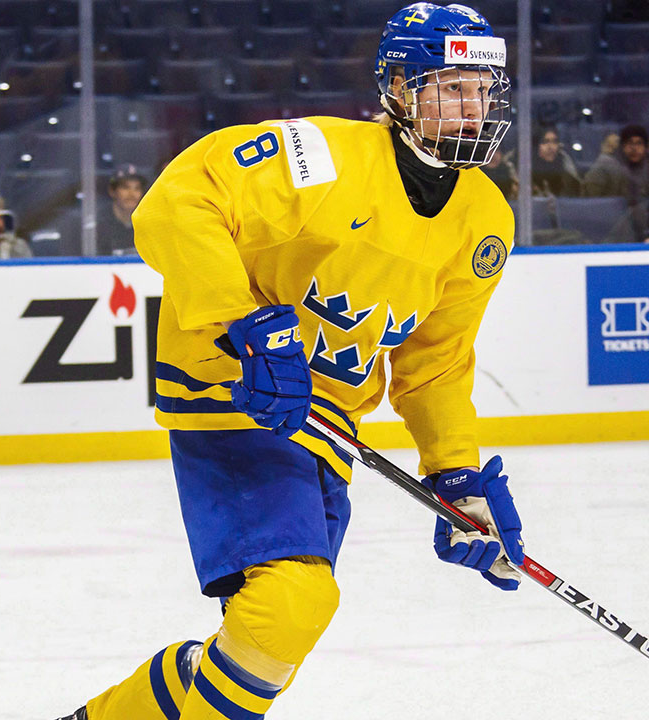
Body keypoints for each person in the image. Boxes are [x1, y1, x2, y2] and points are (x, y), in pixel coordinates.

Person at [54, 4, 526, 720]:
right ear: (398, 90)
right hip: (233, 392)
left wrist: (455, 473)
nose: (472, 107)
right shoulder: (318, 158)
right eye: (449, 87)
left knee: (275, 629)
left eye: (483, 90)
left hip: (326, 423)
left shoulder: (487, 217)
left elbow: (436, 361)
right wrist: (243, 322)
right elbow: (175, 205)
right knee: (289, 605)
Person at [581, 123, 649, 204]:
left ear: (646, 147)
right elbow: (588, 202)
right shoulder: (605, 166)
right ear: (622, 145)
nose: (634, 148)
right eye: (629, 143)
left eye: (639, 143)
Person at [98, 164, 146, 255]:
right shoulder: (99, 225)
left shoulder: (147, 223)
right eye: (125, 187)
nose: (132, 194)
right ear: (112, 191)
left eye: (137, 188)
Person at [530, 124, 581, 196]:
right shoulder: (526, 173)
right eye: (545, 142)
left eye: (555, 142)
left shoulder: (566, 169)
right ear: (536, 146)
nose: (551, 147)